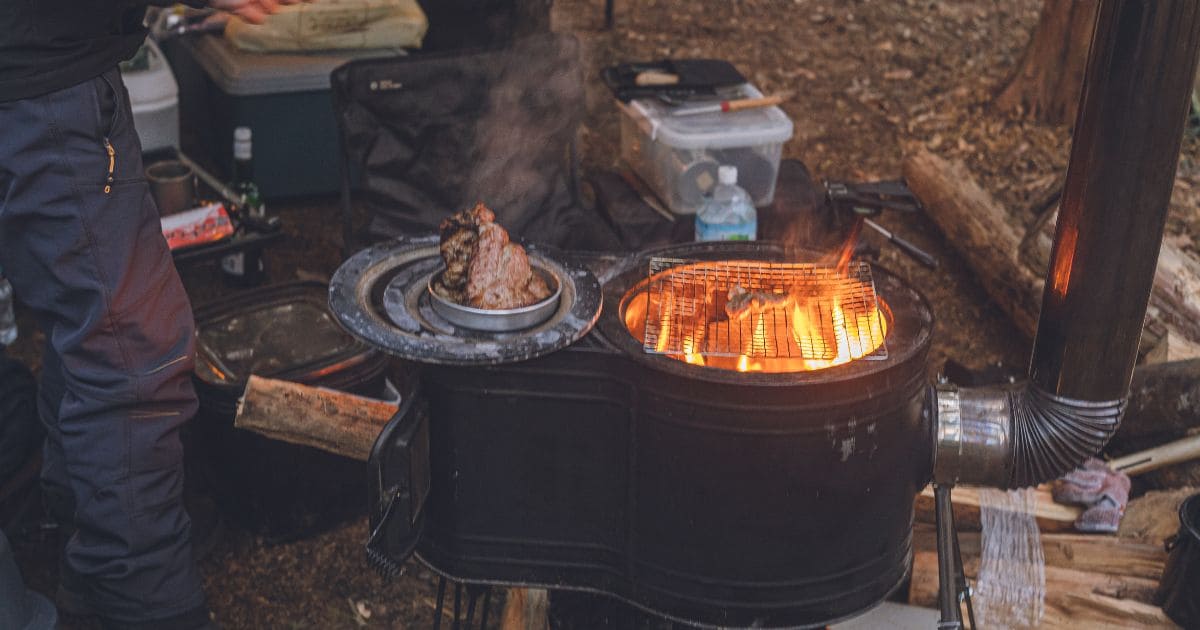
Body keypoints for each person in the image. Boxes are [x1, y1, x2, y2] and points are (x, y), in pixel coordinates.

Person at [0, 2, 289, 628]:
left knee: (86, 318)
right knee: (131, 354)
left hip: (42, 64)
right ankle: (145, 603)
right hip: (40, 79)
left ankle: (86, 539)